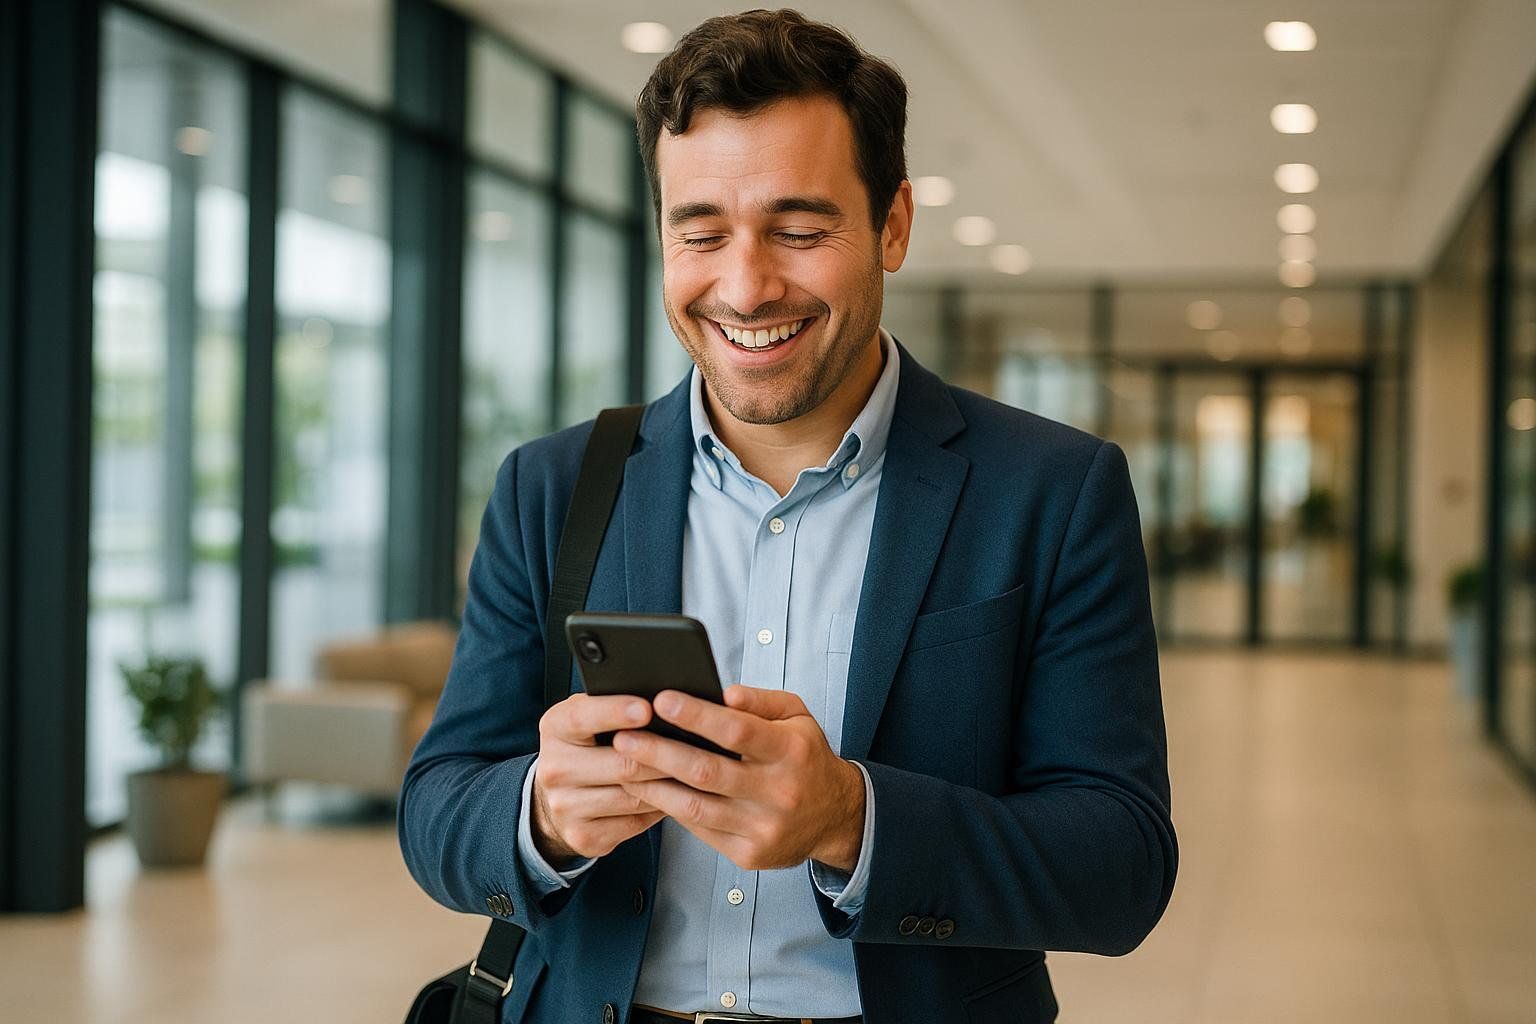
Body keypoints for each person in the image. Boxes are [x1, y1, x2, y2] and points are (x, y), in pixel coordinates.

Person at [399, 9, 1176, 1023]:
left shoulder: (1051, 491)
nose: (746, 283)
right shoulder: (552, 487)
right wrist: (541, 814)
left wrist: (853, 818)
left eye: (800, 231)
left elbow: (1120, 865)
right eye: (701, 232)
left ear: (893, 224)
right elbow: (436, 806)